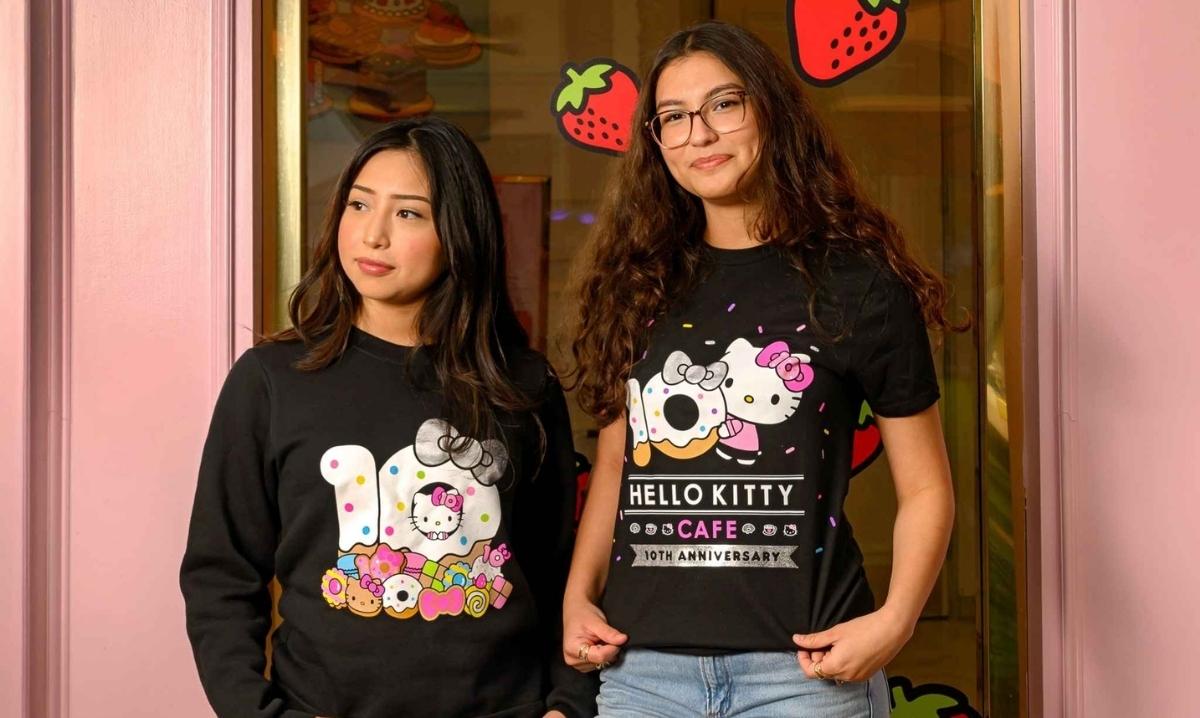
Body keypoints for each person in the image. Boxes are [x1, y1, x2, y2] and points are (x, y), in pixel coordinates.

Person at [561, 21, 960, 717]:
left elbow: (926, 487)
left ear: (770, 110)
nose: (699, 134)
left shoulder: (857, 285)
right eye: (674, 117)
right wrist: (577, 596)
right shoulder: (636, 285)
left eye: (724, 104)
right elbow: (617, 464)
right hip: (644, 672)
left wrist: (895, 621)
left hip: (804, 677)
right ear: (656, 142)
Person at [180, 117, 595, 718]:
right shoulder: (271, 380)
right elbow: (220, 577)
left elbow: (558, 572)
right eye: (358, 204)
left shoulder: (524, 385)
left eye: (408, 213)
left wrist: (569, 705)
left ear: (459, 232)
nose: (373, 235)